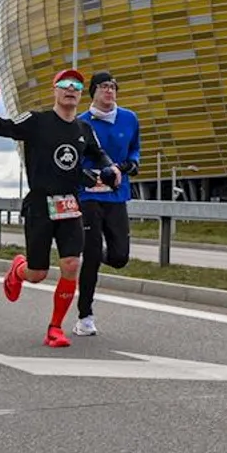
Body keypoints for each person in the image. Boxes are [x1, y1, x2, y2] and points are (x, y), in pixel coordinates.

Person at [0, 69, 121, 349]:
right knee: (37, 274)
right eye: (65, 84)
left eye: (77, 86)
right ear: (55, 90)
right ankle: (19, 269)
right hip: (40, 205)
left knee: (72, 264)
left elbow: (97, 153)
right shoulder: (36, 120)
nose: (71, 89)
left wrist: (110, 168)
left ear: (81, 94)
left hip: (69, 204)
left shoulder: (83, 129)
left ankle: (55, 328)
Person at [74, 70, 141, 337]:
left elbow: (135, 149)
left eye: (113, 86)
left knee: (119, 257)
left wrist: (131, 164)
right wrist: (89, 176)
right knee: (90, 259)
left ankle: (95, 252)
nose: (109, 91)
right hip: (90, 195)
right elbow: (74, 159)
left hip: (117, 194)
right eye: (103, 86)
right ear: (93, 91)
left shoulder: (129, 118)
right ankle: (85, 316)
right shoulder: (80, 123)